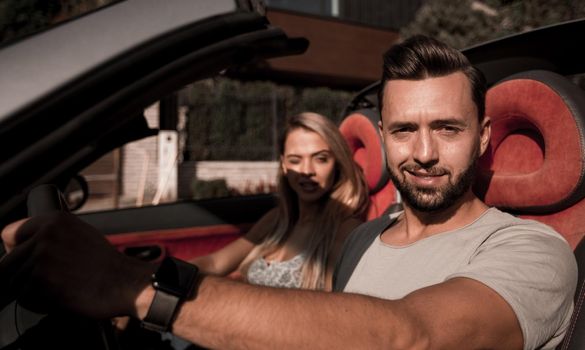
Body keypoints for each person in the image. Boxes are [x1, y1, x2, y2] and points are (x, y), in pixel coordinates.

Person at [0, 35, 577, 350]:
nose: (423, 152)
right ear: (382, 137)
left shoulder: (530, 250)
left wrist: (135, 290)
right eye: (404, 129)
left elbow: (410, 336)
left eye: (446, 129)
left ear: (482, 138)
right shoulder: (367, 239)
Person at [190, 112, 369, 291]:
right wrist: (170, 273)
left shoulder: (345, 229)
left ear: (336, 164)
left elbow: (334, 306)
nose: (307, 170)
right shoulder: (276, 219)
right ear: (284, 165)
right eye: (295, 160)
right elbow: (215, 264)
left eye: (321, 159)